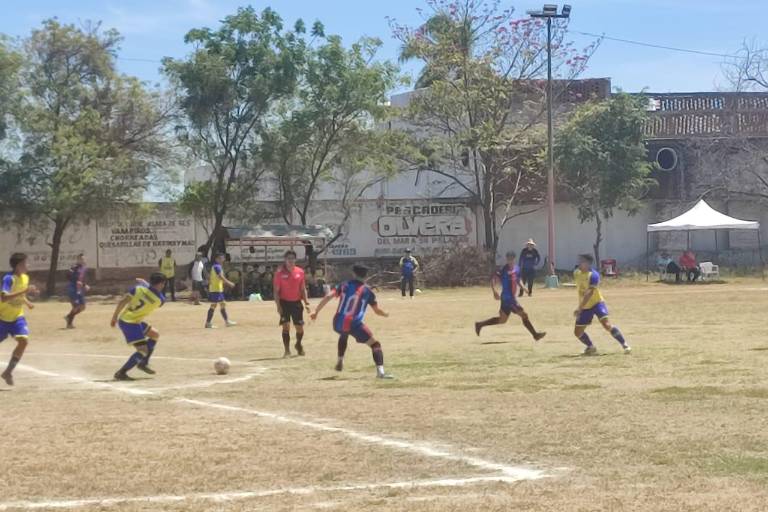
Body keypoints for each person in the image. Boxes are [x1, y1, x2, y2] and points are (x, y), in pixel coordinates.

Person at [311, 264, 393, 379]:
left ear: (354, 274)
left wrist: (316, 311)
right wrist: (385, 314)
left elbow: (329, 296)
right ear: (365, 276)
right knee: (375, 345)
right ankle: (381, 372)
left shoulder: (344, 285)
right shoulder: (367, 291)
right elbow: (377, 311)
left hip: (337, 322)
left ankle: (340, 360)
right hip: (354, 324)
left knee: (344, 334)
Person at [474, 251, 546, 341]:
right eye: (508, 259)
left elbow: (518, 280)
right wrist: (494, 291)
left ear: (514, 259)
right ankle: (535, 335)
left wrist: (524, 288)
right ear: (506, 259)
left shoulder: (517, 269)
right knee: (524, 315)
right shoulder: (504, 270)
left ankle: (479, 324)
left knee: (502, 320)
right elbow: (493, 278)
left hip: (509, 299)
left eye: (511, 259)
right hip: (508, 299)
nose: (510, 261)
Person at [110, 272, 167, 381]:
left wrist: (114, 317)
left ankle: (143, 363)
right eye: (163, 284)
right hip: (130, 323)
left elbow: (122, 302)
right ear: (161, 284)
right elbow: (153, 293)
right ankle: (121, 372)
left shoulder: (138, 289)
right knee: (143, 350)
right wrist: (146, 284)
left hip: (129, 319)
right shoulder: (160, 300)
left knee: (154, 334)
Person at [573, 254, 631, 355]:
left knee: (606, 324)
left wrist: (579, 308)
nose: (579, 263)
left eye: (581, 261)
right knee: (577, 332)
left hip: (597, 303)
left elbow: (589, 293)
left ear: (588, 264)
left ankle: (624, 344)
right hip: (585, 307)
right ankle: (591, 347)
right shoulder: (576, 273)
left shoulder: (594, 275)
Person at [0, 253, 37, 386]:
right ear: (18, 265)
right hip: (2, 319)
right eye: (26, 263)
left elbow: (20, 293)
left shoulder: (25, 278)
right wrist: (24, 291)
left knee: (23, 341)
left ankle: (8, 372)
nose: (28, 265)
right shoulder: (9, 279)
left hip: (17, 317)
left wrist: (27, 302)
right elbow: (4, 297)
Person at [274, 250, 310, 357]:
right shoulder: (279, 273)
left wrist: (306, 302)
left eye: (292, 258)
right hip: (284, 302)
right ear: (285, 260)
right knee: (286, 326)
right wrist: (278, 306)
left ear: (295, 260)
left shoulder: (300, 272)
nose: (290, 261)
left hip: (296, 303)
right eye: (288, 258)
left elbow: (303, 289)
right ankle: (287, 350)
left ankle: (298, 344)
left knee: (299, 328)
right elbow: (276, 291)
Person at [205, 253, 237, 328]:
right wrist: (229, 283)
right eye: (220, 258)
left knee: (222, 304)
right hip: (216, 289)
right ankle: (208, 323)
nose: (222, 260)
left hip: (217, 289)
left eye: (223, 258)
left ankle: (226, 321)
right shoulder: (217, 266)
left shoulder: (217, 266)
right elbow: (220, 277)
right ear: (216, 259)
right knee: (214, 306)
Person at [65, 253, 90, 328]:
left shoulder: (84, 268)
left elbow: (82, 279)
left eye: (83, 259)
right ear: (77, 260)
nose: (82, 260)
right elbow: (68, 276)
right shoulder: (74, 267)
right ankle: (69, 323)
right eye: (81, 259)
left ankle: (69, 316)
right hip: (72, 289)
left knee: (82, 307)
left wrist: (84, 285)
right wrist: (80, 283)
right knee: (76, 306)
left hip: (79, 290)